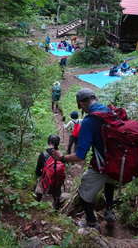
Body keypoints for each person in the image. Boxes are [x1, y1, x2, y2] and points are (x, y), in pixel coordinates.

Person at [52, 88, 116, 230]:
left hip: (102, 165)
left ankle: (92, 223)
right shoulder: (110, 111)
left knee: (84, 193)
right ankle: (109, 211)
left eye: (81, 106)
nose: (82, 110)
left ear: (82, 103)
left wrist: (62, 157)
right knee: (109, 184)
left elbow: (80, 156)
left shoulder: (89, 120)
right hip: (118, 162)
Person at [34, 135, 64, 209]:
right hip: (57, 181)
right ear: (58, 143)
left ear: (49, 142)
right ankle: (56, 205)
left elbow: (38, 171)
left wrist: (41, 174)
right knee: (57, 190)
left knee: (38, 187)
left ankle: (36, 203)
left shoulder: (43, 154)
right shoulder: (61, 155)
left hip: (46, 180)